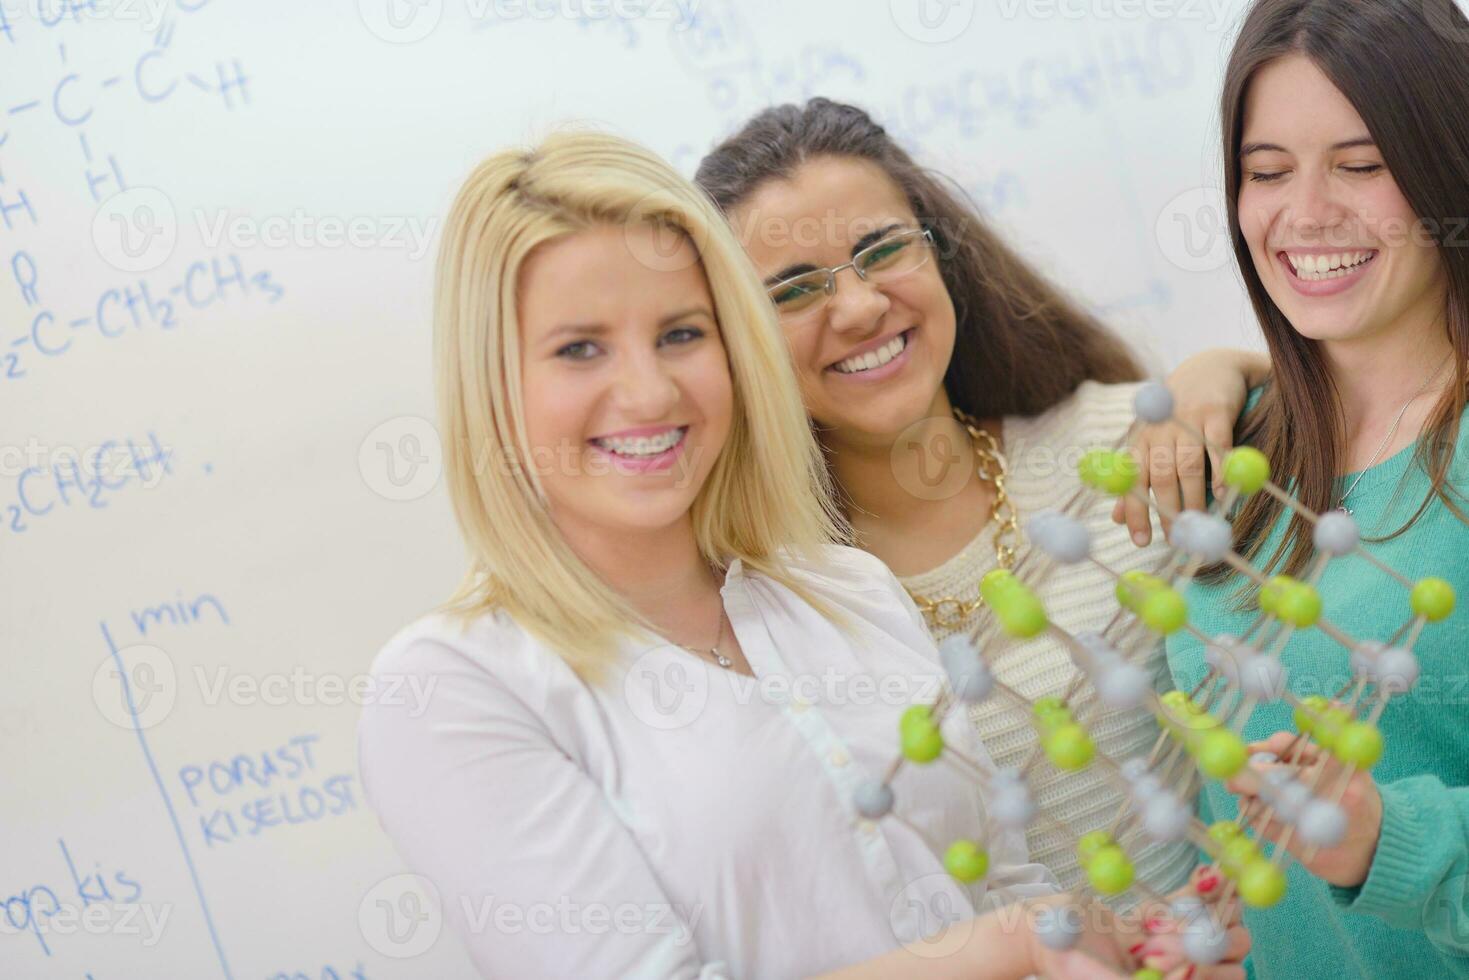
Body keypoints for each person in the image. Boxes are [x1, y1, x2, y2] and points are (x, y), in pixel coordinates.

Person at [357, 130, 1246, 979]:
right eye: (579, 348)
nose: (649, 390)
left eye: (680, 333)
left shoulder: (846, 588)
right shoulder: (454, 685)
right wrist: (1017, 945)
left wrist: (1117, 955)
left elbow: (1001, 883)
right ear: (491, 382)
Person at [695, 98, 1270, 897]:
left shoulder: (1123, 449)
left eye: (883, 250)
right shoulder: (761, 605)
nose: (859, 307)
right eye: (792, 291)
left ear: (941, 258)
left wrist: (1237, 373)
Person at [1158, 1, 1469, 977]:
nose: (1302, 214)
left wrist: (1392, 840)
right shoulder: (1235, 439)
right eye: (1264, 172)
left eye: (1359, 163)